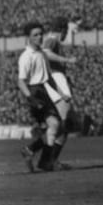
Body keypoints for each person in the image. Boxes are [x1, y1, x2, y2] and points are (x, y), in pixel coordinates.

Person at [21, 17, 78, 170]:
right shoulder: (52, 40)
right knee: (63, 123)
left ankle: (44, 157)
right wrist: (67, 60)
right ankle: (44, 158)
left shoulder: (52, 41)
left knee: (64, 126)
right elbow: (46, 53)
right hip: (56, 82)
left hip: (56, 82)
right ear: (63, 29)